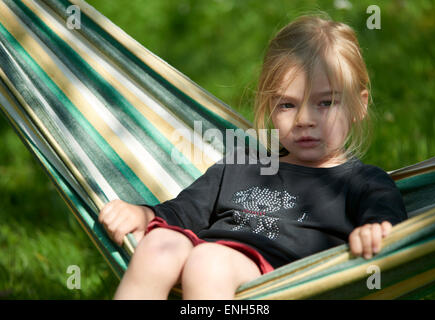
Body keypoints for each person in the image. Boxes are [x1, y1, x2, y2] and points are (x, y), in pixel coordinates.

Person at [99, 13, 407, 300]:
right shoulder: (241, 165)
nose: (304, 119)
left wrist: (376, 229)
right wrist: (145, 216)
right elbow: (182, 212)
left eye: (325, 103)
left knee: (208, 262)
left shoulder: (362, 182)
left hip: (285, 281)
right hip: (211, 259)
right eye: (287, 105)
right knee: (158, 245)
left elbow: (388, 221)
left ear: (359, 104)